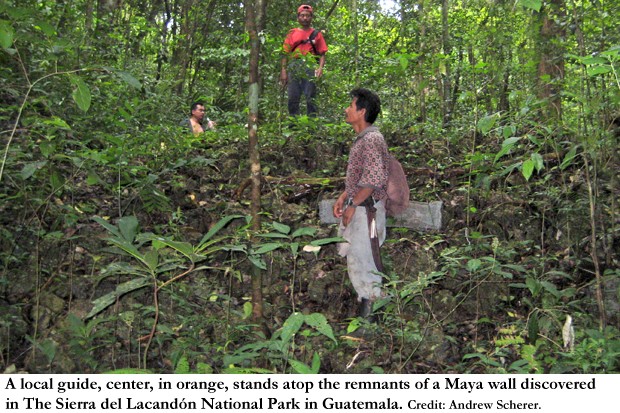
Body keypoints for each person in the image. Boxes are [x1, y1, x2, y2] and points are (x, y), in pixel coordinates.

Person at [333, 88, 389, 321]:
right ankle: (365, 316)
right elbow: (363, 176)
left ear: (362, 111)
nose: (346, 109)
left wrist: (353, 205)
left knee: (365, 261)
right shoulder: (363, 140)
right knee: (356, 258)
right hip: (361, 207)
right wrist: (344, 196)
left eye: (351, 105)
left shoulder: (372, 139)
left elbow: (374, 180)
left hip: (368, 212)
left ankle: (369, 324)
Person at [279, 4, 328, 117]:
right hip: (294, 65)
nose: (305, 18)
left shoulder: (317, 34)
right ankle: (294, 126)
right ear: (298, 17)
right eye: (302, 15)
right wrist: (284, 71)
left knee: (310, 96)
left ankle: (311, 126)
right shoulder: (292, 33)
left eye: (307, 16)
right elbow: (285, 54)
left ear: (311, 17)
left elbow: (322, 54)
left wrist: (320, 68)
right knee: (293, 97)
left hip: (310, 66)